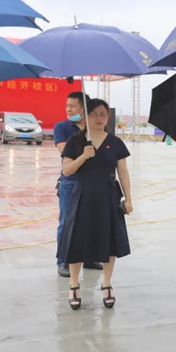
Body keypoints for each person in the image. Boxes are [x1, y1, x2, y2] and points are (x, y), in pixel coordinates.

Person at [57, 99, 133, 310]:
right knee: (77, 239)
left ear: (108, 117)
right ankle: (74, 285)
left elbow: (123, 172)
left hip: (108, 195)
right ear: (86, 116)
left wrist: (128, 198)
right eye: (94, 114)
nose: (99, 118)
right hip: (82, 194)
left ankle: (107, 283)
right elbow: (66, 170)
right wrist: (83, 156)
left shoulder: (115, 143)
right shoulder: (75, 141)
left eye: (103, 114)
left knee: (109, 241)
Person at [53, 91, 102, 277]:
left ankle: (89, 258)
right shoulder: (62, 127)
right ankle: (63, 261)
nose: (68, 109)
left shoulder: (96, 127)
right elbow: (64, 150)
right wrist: (85, 148)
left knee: (91, 220)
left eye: (73, 106)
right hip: (70, 181)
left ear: (84, 109)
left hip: (92, 180)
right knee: (67, 222)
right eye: (67, 106)